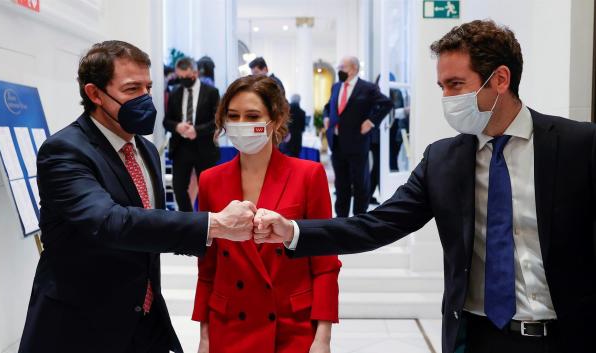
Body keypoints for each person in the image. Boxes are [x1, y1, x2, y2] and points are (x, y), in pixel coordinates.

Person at [254, 20, 596, 353]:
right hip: (477, 337)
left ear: (501, 79)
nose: (446, 97)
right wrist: (293, 231)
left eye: (456, 84)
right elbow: (376, 225)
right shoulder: (444, 160)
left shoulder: (577, 145)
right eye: (441, 87)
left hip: (564, 335)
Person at [18, 40, 255, 353]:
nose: (145, 99)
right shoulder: (65, 152)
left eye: (148, 87)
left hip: (142, 323)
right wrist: (213, 224)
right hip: (81, 327)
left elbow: (148, 230)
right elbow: (111, 222)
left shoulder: (144, 149)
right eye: (132, 90)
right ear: (94, 94)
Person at [192, 75, 341, 353]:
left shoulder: (308, 175)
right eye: (233, 116)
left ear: (275, 118)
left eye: (252, 116)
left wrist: (323, 337)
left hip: (290, 326)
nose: (241, 125)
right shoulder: (211, 180)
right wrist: (204, 335)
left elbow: (325, 264)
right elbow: (208, 267)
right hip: (229, 325)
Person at [324, 56, 392, 216]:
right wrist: (327, 117)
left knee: (360, 184)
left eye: (343, 67)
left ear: (354, 68)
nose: (339, 70)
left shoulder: (367, 88)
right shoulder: (336, 86)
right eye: (338, 66)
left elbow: (386, 103)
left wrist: (371, 121)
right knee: (341, 186)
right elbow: (328, 106)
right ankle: (341, 221)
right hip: (337, 143)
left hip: (357, 144)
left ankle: (359, 221)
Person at [163, 57, 220, 212]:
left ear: (195, 73)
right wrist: (177, 126)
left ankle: (207, 220)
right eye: (179, 77)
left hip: (204, 146)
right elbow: (166, 121)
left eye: (186, 77)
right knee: (179, 187)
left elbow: (217, 121)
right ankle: (189, 220)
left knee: (207, 188)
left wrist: (197, 130)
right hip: (181, 147)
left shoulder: (211, 92)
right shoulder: (175, 92)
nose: (183, 80)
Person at [283, 93, 306, 158]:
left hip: (287, 136)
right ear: (299, 101)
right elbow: (303, 128)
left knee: (286, 156)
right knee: (296, 156)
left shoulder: (285, 111)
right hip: (297, 138)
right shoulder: (302, 112)